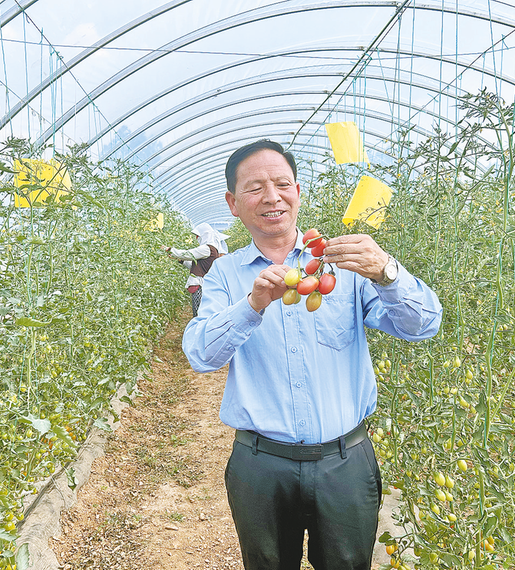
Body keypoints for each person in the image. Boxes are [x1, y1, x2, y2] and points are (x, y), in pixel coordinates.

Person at [181, 139, 442, 570]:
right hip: (260, 465)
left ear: (298, 192)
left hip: (345, 463)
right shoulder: (225, 275)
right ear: (233, 203)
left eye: (282, 184)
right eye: (255, 188)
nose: (272, 196)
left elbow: (423, 325)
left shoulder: (342, 263)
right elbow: (200, 355)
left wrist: (388, 272)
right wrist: (252, 305)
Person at [164, 222, 229, 317]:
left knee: (199, 313)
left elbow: (188, 254)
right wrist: (180, 260)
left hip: (201, 285)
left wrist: (170, 250)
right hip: (202, 284)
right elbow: (195, 265)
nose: (196, 238)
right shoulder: (211, 249)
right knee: (200, 311)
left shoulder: (207, 249)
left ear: (204, 235)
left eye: (198, 236)